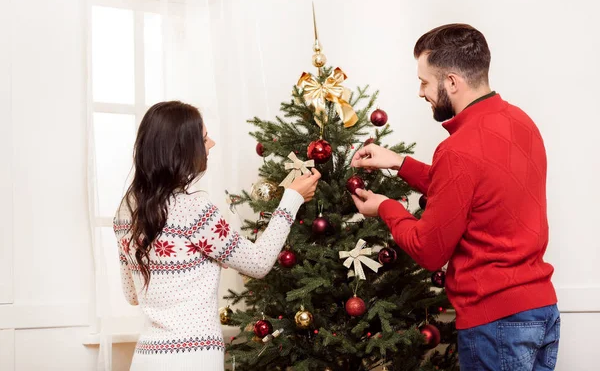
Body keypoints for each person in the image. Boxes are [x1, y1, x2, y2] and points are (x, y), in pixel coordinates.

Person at [350, 24, 560, 370]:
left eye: (424, 82)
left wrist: (385, 207)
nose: (420, 92)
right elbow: (474, 191)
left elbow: (429, 250)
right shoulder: (521, 122)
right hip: (541, 310)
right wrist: (400, 162)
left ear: (451, 82)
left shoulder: (458, 151)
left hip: (497, 323)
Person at [113, 101, 320, 370]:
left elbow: (132, 294)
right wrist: (291, 199)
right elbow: (258, 263)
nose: (211, 144)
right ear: (183, 150)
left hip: (146, 358)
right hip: (194, 357)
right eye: (203, 138)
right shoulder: (194, 209)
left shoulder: (125, 210)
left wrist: (194, 263)